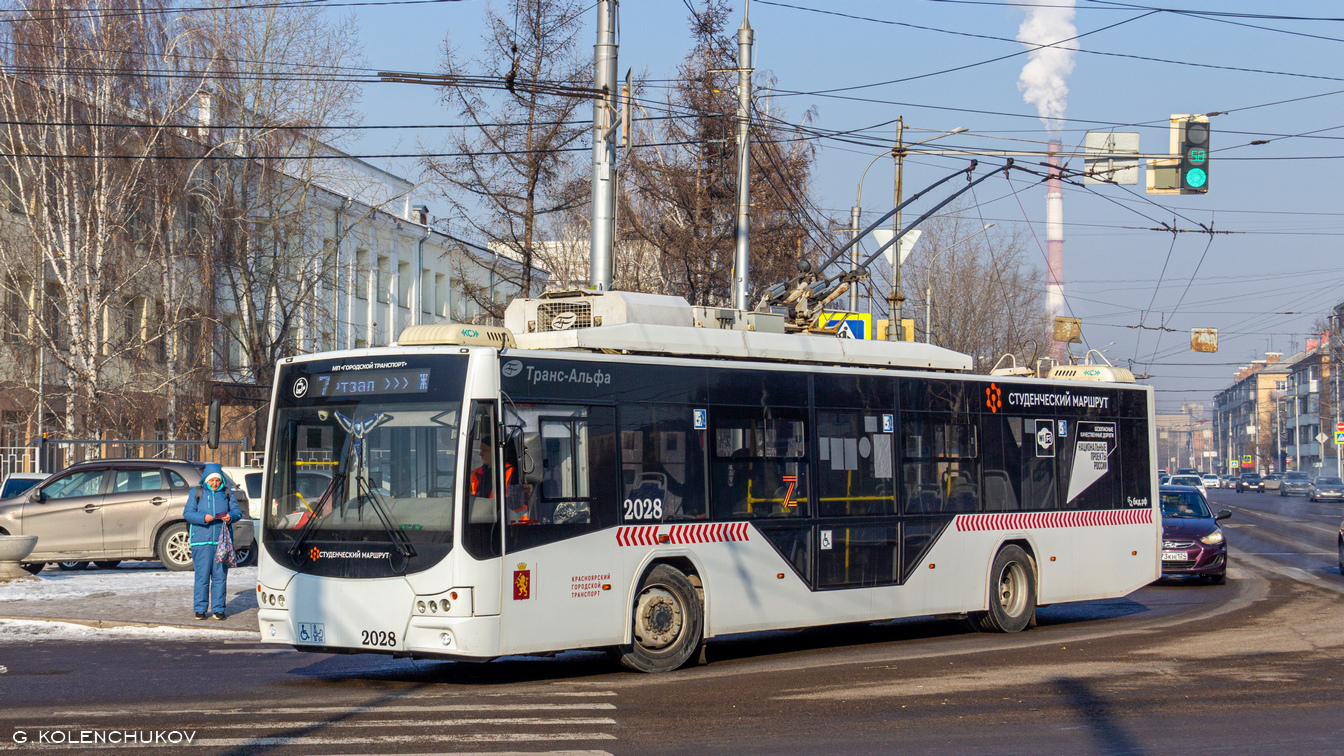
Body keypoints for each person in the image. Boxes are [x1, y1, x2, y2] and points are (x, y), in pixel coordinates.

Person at [183, 463, 242, 620]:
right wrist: (203, 518)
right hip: (201, 542)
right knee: (202, 577)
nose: (215, 483)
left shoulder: (227, 493)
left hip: (222, 543)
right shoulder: (196, 493)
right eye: (212, 481)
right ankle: (200, 609)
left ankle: (218, 609)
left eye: (217, 480)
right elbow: (188, 513)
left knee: (220, 577)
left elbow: (237, 513)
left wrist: (230, 516)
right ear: (206, 481)